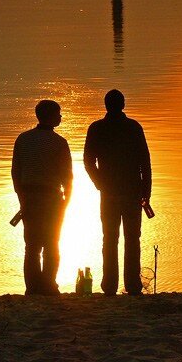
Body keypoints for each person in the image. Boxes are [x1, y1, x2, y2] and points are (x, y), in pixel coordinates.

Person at [84, 89, 152, 296]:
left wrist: (100, 183)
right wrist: (146, 192)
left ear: (106, 105)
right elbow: (145, 163)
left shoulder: (97, 128)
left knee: (110, 238)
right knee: (132, 238)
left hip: (110, 192)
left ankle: (110, 285)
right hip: (131, 191)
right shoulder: (133, 127)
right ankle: (132, 285)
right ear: (123, 105)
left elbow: (88, 161)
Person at [12, 100, 73, 295]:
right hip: (51, 198)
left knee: (32, 246)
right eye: (59, 114)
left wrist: (21, 197)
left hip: (29, 196)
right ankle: (48, 284)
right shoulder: (59, 143)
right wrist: (67, 201)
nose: (61, 117)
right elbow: (67, 176)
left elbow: (16, 172)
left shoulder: (23, 139)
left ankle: (32, 287)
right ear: (51, 116)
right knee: (51, 243)